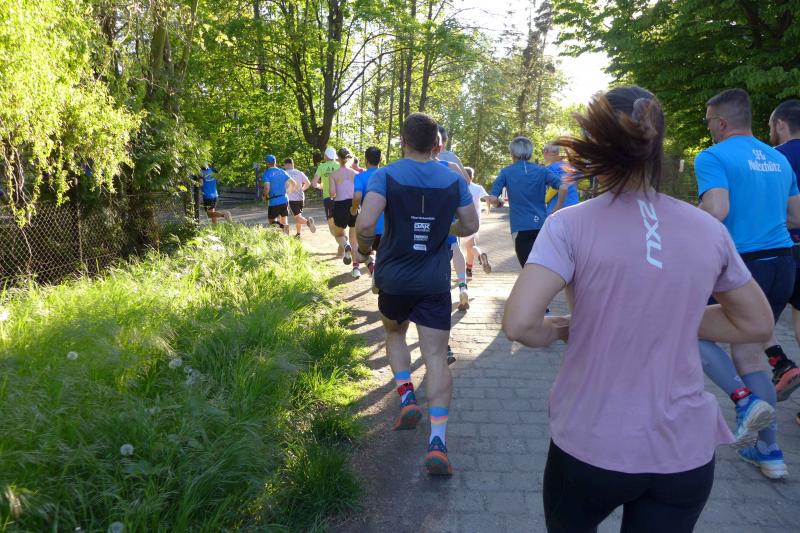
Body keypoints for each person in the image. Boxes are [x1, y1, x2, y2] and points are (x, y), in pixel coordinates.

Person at [503, 86, 774, 532]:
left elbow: (520, 324)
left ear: (597, 141)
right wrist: (676, 316)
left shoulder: (568, 225)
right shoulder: (707, 229)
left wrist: (565, 327)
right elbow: (756, 323)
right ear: (657, 142)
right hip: (684, 455)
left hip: (592, 441)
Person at [353, 112, 478, 476]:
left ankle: (407, 395)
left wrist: (365, 249)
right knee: (436, 356)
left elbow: (365, 222)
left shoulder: (386, 175)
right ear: (437, 144)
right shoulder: (453, 179)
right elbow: (471, 224)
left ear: (403, 141)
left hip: (393, 279)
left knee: (394, 333)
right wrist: (444, 229)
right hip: (433, 282)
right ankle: (437, 442)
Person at [695, 89, 800, 479]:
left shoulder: (713, 156)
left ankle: (742, 400)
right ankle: (770, 453)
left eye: (709, 121)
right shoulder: (778, 158)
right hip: (783, 266)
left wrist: (682, 223)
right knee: (751, 353)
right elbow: (797, 216)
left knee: (682, 325)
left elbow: (716, 209)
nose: (708, 128)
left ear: (722, 122)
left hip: (742, 268)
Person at [486, 137, 564, 267]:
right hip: (541, 226)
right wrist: (556, 209)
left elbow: (493, 199)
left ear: (512, 153)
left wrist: (498, 203)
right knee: (543, 267)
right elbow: (563, 187)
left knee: (528, 268)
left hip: (520, 228)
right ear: (530, 153)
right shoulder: (542, 170)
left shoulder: (506, 172)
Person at [768, 99, 800, 398]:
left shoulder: (774, 158)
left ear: (780, 124)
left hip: (784, 247)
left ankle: (781, 364)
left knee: (749, 316)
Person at [432, 132, 470, 311]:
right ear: (440, 146)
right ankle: (462, 285)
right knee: (454, 246)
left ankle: (436, 290)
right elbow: (466, 182)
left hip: (425, 214)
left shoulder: (416, 166)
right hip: (448, 211)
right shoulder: (451, 164)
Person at [329, 147, 361, 278]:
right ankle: (356, 268)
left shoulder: (333, 175)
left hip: (340, 205)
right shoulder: (355, 174)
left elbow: (332, 193)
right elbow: (359, 192)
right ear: (349, 158)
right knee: (354, 240)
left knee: (338, 234)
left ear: (338, 158)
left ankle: (345, 245)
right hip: (353, 205)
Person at [352, 146, 384, 278]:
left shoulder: (360, 177)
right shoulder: (387, 175)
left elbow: (357, 196)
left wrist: (353, 209)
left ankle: (373, 269)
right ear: (380, 160)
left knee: (362, 253)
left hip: (368, 227)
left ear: (366, 160)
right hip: (387, 227)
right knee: (384, 256)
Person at [462, 167, 492, 278]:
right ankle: (468, 271)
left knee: (470, 246)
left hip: (463, 221)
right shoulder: (478, 188)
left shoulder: (460, 187)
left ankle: (480, 257)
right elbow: (487, 198)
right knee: (469, 246)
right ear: (472, 176)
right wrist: (488, 209)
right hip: (476, 221)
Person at [313, 147, 343, 254]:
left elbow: (314, 183)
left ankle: (344, 244)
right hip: (341, 198)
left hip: (328, 199)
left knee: (332, 228)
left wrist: (320, 186)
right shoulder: (340, 165)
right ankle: (343, 245)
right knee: (340, 224)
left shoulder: (322, 166)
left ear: (326, 156)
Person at [542, 143, 580, 215]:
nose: (543, 154)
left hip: (557, 209)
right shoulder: (570, 167)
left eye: (544, 151)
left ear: (554, 153)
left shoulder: (550, 169)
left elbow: (554, 189)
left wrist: (544, 200)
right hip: (574, 205)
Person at [283, 158, 316, 237]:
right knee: (298, 216)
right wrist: (302, 189)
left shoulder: (284, 173)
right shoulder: (299, 172)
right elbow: (308, 183)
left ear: (286, 164)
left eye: (284, 165)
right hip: (301, 198)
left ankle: (308, 222)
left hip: (291, 199)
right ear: (293, 164)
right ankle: (298, 233)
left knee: (297, 218)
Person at [261, 154, 291, 234]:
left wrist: (264, 195)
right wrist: (287, 192)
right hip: (284, 199)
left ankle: (282, 228)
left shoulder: (266, 173)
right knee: (284, 219)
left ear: (267, 163)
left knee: (272, 221)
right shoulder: (282, 171)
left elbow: (267, 188)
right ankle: (286, 236)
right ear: (275, 162)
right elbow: (293, 183)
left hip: (273, 201)